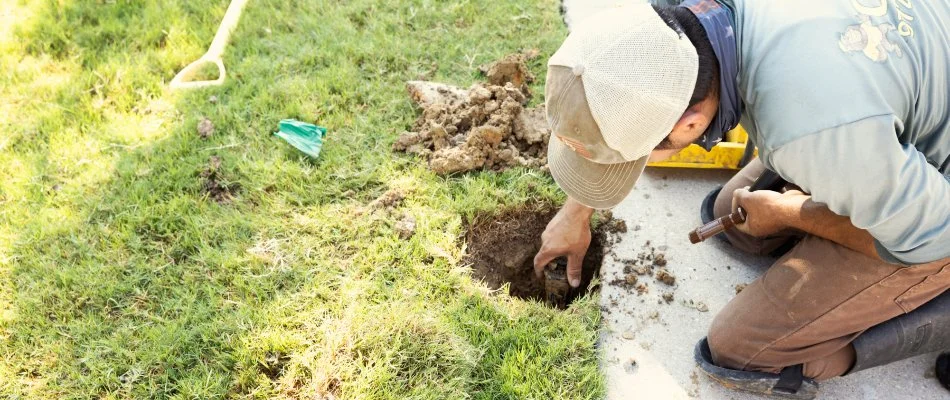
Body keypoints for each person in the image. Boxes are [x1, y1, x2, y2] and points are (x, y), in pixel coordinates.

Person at [533, 1, 950, 397]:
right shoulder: (671, 29)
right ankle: (864, 189)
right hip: (886, 87)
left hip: (937, 216)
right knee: (729, 215)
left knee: (741, 350)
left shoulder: (807, 133)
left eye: (638, 155)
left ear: (691, 121)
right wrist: (577, 211)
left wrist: (792, 213)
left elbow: (935, 236)